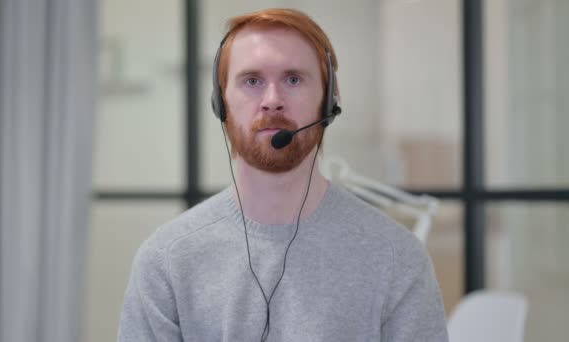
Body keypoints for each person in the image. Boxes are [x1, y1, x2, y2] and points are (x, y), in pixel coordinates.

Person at [118, 8, 448, 342]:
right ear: (222, 103)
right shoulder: (167, 260)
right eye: (252, 81)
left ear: (328, 101)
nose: (272, 101)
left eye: (293, 79)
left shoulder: (396, 257)